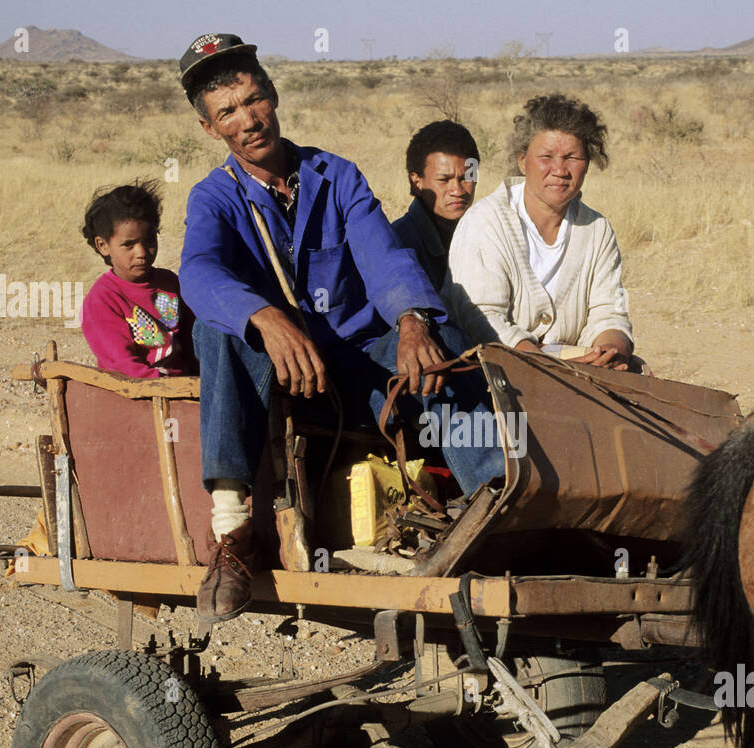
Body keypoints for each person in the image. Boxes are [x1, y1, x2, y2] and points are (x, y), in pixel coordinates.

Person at [176, 33, 503, 623]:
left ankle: (494, 508)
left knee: (442, 343)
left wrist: (409, 320)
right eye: (228, 113)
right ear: (210, 128)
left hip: (355, 368)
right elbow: (198, 273)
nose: (248, 120)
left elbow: (383, 255)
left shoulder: (336, 176)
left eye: (254, 100)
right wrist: (265, 316)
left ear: (273, 96)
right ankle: (232, 534)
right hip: (278, 383)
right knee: (219, 329)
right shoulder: (214, 198)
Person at [446, 93, 638, 372]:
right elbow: (481, 318)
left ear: (588, 162)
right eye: (546, 157)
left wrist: (611, 350)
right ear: (523, 161)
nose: (559, 170)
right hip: (491, 373)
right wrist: (542, 363)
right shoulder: (485, 222)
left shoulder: (597, 230)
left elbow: (609, 311)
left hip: (577, 370)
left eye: (572, 157)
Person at [78, 180, 197, 377]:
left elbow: (193, 341)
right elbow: (121, 365)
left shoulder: (169, 283)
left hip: (184, 387)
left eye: (149, 240)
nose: (141, 252)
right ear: (103, 245)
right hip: (139, 394)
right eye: (129, 244)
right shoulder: (103, 299)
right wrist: (167, 390)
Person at [391, 120, 479, 295]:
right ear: (417, 182)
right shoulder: (399, 245)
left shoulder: (486, 231)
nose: (458, 191)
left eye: (465, 178)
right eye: (444, 180)